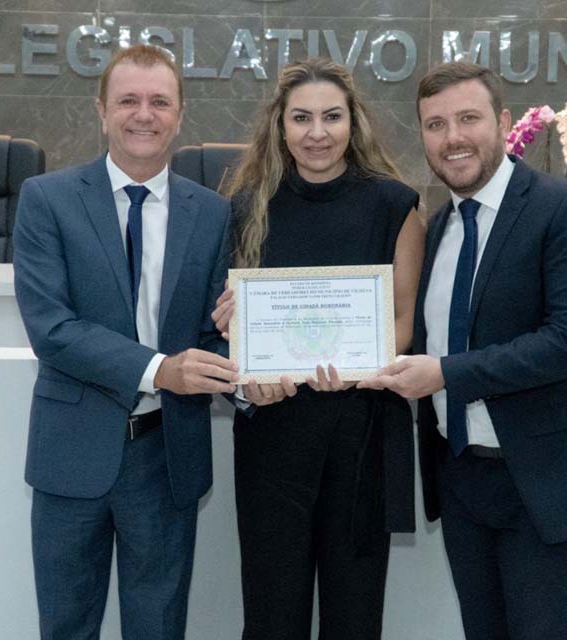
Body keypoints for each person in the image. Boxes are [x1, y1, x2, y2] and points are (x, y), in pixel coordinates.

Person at [359, 61, 567, 639]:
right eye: (435, 124)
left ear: (503, 122)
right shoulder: (437, 228)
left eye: (468, 118)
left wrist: (445, 376)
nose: (452, 137)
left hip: (544, 485)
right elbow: (411, 332)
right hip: (462, 483)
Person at [12, 44, 239, 639]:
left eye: (160, 101)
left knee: (159, 628)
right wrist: (162, 370)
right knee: (67, 626)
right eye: (129, 101)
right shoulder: (47, 199)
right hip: (72, 454)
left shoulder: (214, 214)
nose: (145, 114)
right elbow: (52, 330)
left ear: (180, 114)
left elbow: (213, 335)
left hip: (167, 458)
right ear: (101, 110)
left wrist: (248, 374)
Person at [211, 58, 425, 639]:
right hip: (273, 436)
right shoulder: (245, 207)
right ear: (279, 126)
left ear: (353, 123)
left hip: (361, 433)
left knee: (354, 617)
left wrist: (359, 369)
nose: (317, 132)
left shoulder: (394, 204)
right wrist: (236, 338)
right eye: (301, 118)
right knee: (271, 615)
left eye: (332, 116)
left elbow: (404, 323)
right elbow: (227, 329)